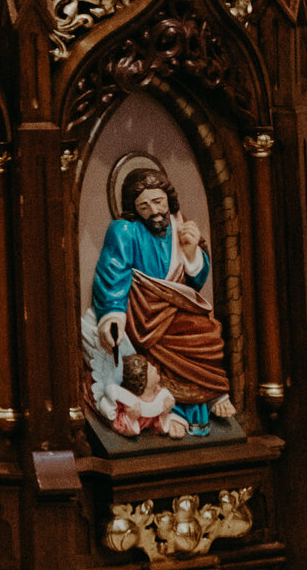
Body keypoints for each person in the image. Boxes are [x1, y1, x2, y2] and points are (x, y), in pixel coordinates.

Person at [86, 164, 234, 435]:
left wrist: (192, 253)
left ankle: (209, 396)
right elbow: (113, 271)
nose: (154, 211)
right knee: (186, 337)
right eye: (144, 206)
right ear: (134, 208)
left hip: (177, 305)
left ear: (169, 198)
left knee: (209, 332)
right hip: (144, 310)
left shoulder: (179, 224)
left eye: (158, 201)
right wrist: (112, 314)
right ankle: (177, 410)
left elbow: (194, 282)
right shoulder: (124, 230)